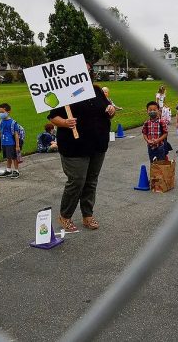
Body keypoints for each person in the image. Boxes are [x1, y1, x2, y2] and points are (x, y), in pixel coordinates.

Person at [48, 64, 116, 231]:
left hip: (98, 144)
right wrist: (64, 122)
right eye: (83, 71)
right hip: (74, 146)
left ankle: (88, 215)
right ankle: (65, 216)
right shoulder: (64, 92)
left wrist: (111, 110)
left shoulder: (97, 90)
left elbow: (108, 109)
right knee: (77, 181)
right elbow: (52, 117)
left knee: (91, 181)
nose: (88, 73)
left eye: (89, 71)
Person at [0, 103, 21, 178]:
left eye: (2, 112)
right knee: (8, 157)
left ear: (8, 111)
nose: (0, 114)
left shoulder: (13, 123)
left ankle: (16, 171)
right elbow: (0, 134)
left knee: (14, 157)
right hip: (4, 143)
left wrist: (17, 146)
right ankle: (8, 170)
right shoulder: (1, 122)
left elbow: (16, 134)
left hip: (11, 143)